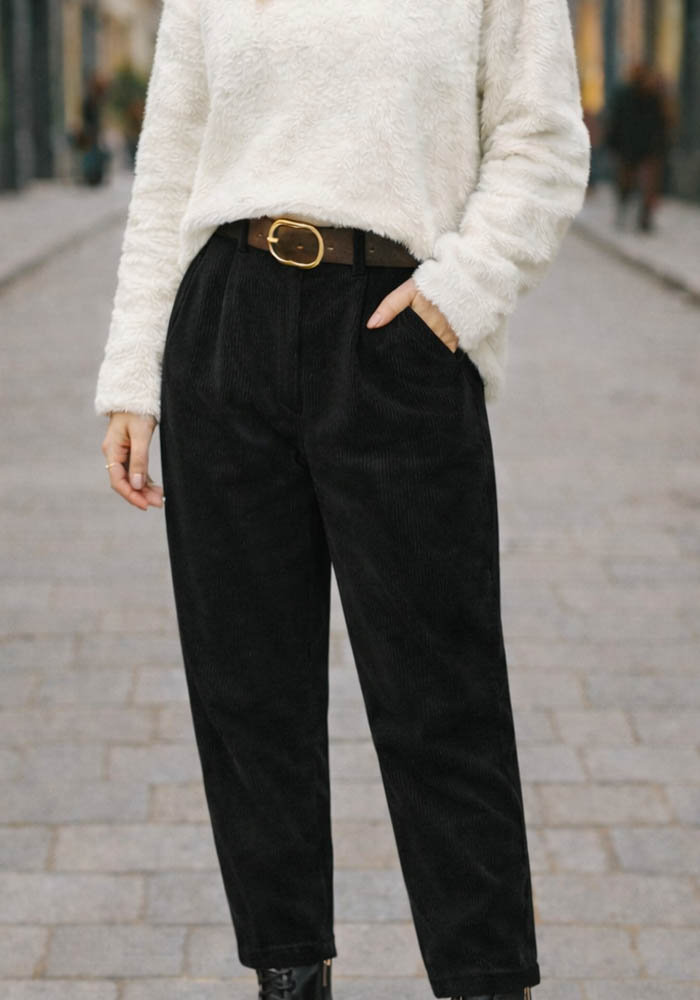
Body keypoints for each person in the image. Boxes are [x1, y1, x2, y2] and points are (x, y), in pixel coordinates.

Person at [95, 2, 591, 998]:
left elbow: (540, 136)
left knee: (440, 695)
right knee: (248, 693)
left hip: (397, 328)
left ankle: (485, 979)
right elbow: (172, 161)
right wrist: (134, 372)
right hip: (225, 324)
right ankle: (287, 973)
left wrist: (458, 295)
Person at [605, 62, 671, 231]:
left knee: (648, 183)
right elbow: (616, 122)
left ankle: (643, 217)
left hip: (648, 147)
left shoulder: (654, 98)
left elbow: (663, 124)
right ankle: (627, 209)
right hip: (630, 147)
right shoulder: (626, 96)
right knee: (628, 181)